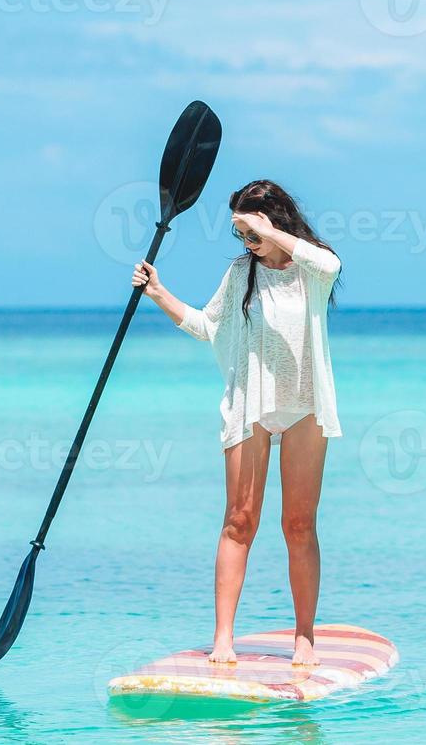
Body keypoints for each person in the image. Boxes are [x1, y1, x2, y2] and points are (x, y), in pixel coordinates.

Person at [132, 179, 342, 666]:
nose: (244, 243)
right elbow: (208, 326)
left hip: (306, 409)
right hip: (252, 409)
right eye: (238, 234)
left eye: (249, 232)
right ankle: (223, 638)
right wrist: (159, 293)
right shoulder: (241, 272)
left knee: (298, 524)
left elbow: (330, 263)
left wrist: (267, 230)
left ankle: (304, 637)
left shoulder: (313, 267)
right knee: (239, 521)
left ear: (272, 222)